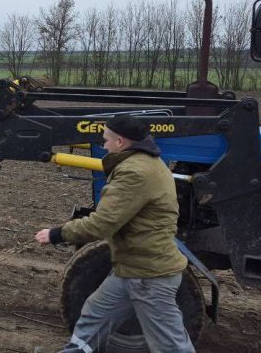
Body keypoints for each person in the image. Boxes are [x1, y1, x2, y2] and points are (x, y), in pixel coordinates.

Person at [34, 114, 194, 353]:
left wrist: (57, 234)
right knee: (95, 315)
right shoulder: (149, 162)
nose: (104, 145)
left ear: (120, 142)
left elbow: (102, 224)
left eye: (106, 139)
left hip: (149, 276)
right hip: (131, 269)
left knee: (170, 345)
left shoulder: (134, 172)